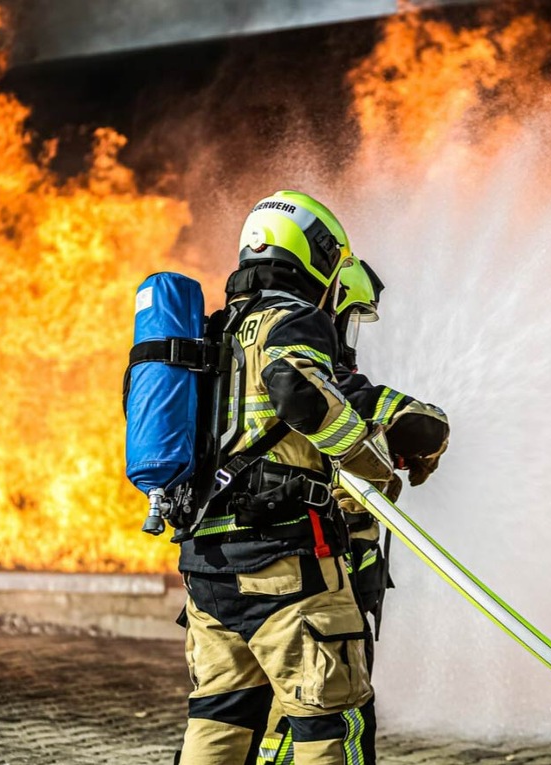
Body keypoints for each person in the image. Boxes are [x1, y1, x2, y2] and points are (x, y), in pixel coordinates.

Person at [177, 191, 395, 765]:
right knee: (330, 720)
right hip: (288, 568)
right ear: (319, 255)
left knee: (219, 724)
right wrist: (373, 469)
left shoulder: (213, 332)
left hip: (208, 570)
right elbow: (296, 390)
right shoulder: (294, 318)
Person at [255, 256, 450, 765]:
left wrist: (406, 434)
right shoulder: (309, 358)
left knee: (239, 716)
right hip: (304, 569)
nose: (349, 330)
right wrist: (409, 437)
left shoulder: (235, 350)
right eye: (352, 315)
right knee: (336, 714)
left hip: (226, 566)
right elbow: (353, 400)